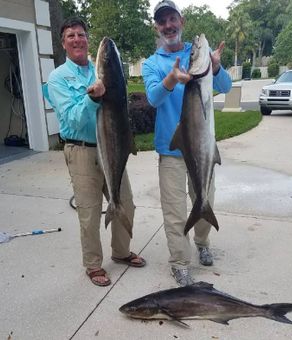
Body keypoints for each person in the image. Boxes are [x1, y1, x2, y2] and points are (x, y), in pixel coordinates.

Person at [43, 17, 145, 287]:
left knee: (126, 202)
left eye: (81, 34)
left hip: (113, 147)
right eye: (71, 36)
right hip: (82, 151)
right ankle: (93, 265)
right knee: (89, 212)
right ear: (63, 43)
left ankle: (121, 252)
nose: (77, 39)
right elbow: (71, 119)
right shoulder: (58, 78)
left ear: (87, 40)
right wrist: (92, 98)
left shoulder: (101, 70)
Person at [142, 1, 232, 286]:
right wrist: (171, 78)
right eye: (162, 22)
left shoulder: (198, 59)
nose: (168, 25)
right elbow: (154, 98)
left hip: (204, 147)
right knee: (174, 210)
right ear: (157, 27)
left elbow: (226, 87)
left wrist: (215, 68)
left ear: (180, 21)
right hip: (171, 150)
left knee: (204, 199)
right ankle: (180, 262)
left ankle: (202, 242)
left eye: (171, 19)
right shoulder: (151, 63)